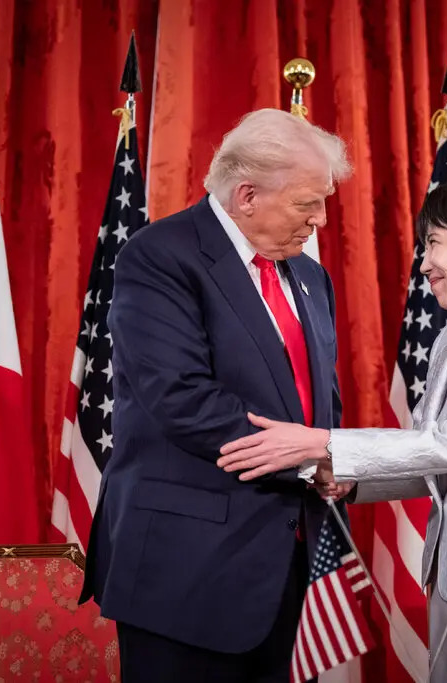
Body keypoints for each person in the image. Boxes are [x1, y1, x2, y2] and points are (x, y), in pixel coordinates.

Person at [217, 179, 447, 683]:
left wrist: (321, 442)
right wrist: (354, 482)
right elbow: (430, 462)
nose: (423, 265)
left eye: (434, 244)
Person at [80, 108, 352, 682]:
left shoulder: (309, 275)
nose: (321, 220)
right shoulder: (160, 256)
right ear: (247, 195)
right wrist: (312, 459)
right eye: (308, 203)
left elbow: (319, 399)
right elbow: (180, 397)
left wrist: (335, 458)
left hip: (283, 561)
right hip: (185, 567)